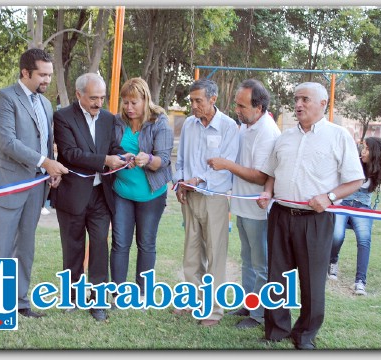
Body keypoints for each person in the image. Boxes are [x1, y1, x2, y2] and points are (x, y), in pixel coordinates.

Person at [256, 82, 364, 350]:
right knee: (276, 276)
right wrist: (267, 192)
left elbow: (356, 180)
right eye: (296, 99)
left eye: (305, 99)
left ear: (323, 104)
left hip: (315, 219)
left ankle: (304, 335)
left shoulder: (339, 136)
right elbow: (271, 172)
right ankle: (277, 329)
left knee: (312, 281)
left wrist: (328, 198)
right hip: (280, 215)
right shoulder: (284, 137)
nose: (298, 104)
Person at [0, 48, 68, 328]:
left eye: (49, 75)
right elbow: (8, 143)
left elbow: (45, 142)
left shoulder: (44, 104)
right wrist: (45, 161)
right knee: (0, 249)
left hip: (35, 188)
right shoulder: (4, 98)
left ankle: (19, 303)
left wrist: (49, 169)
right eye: (42, 75)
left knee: (25, 249)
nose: (47, 80)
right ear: (25, 72)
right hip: (6, 186)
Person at [51, 73, 129, 322]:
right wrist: (105, 160)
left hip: (100, 194)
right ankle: (72, 296)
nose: (98, 103)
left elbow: (111, 148)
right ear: (79, 95)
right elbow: (71, 153)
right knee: (72, 246)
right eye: (93, 98)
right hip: (72, 193)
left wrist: (122, 155)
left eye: (102, 98)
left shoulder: (108, 118)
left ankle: (98, 300)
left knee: (99, 245)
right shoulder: (62, 117)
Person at [207, 79, 280, 329]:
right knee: (247, 259)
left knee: (260, 264)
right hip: (242, 206)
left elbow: (261, 175)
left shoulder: (267, 131)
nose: (237, 110)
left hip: (258, 210)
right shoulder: (247, 126)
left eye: (242, 106)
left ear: (258, 107)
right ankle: (250, 303)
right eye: (237, 105)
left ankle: (259, 314)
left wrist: (226, 165)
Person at [173, 78, 240, 327]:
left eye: (198, 100)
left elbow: (228, 165)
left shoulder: (229, 127)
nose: (193, 105)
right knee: (191, 252)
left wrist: (199, 179)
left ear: (213, 99)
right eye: (191, 100)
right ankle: (191, 299)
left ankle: (213, 310)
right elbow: (180, 161)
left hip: (215, 198)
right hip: (189, 197)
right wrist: (180, 181)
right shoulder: (189, 125)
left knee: (215, 254)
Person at [110, 78, 174, 307]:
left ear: (145, 100)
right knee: (119, 243)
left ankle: (143, 293)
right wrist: (117, 158)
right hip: (121, 192)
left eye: (134, 102)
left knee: (146, 243)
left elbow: (163, 161)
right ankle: (118, 293)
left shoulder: (160, 123)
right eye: (125, 102)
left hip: (150, 195)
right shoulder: (118, 122)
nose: (129, 108)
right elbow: (109, 148)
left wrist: (147, 159)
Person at [328, 137, 381, 295]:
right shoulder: (354, 162)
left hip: (362, 207)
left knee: (364, 238)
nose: (363, 151)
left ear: (375, 152)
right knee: (337, 235)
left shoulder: (378, 168)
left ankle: (360, 281)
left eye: (367, 149)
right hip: (344, 203)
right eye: (363, 147)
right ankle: (333, 262)